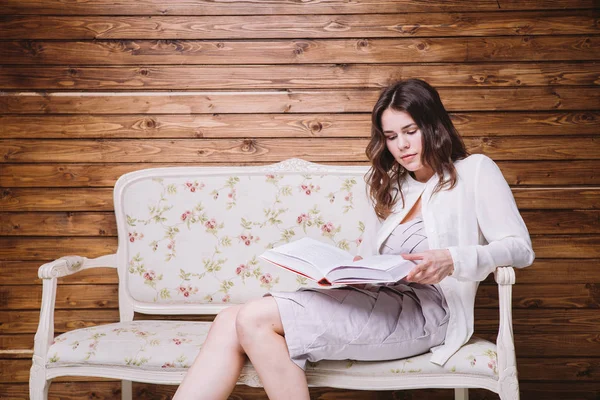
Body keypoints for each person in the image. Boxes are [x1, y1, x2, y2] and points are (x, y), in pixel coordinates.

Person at [173, 78, 535, 400]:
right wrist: (341, 272)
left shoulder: (475, 172)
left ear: (433, 126)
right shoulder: (389, 186)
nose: (402, 146)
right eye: (391, 137)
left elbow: (519, 249)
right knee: (228, 319)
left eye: (410, 131)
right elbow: (371, 261)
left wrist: (452, 259)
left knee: (253, 317)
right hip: (378, 300)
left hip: (430, 313)